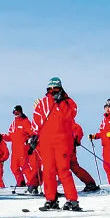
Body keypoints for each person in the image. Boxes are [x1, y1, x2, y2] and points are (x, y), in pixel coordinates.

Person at [30, 77, 80, 210]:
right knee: (48, 171)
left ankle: (72, 200)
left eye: (55, 89)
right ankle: (50, 199)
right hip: (46, 142)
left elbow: (70, 116)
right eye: (50, 89)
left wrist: (61, 102)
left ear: (61, 89)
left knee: (63, 170)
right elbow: (36, 119)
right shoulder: (42, 103)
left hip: (63, 141)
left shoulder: (68, 102)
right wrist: (34, 135)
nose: (52, 91)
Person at [2, 105, 41, 193]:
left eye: (17, 113)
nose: (16, 114)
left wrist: (30, 140)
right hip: (15, 150)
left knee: (25, 167)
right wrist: (2, 137)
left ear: (21, 112)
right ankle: (21, 182)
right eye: (14, 113)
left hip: (23, 149)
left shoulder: (25, 121)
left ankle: (31, 184)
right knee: (13, 167)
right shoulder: (14, 123)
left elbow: (31, 133)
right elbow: (10, 136)